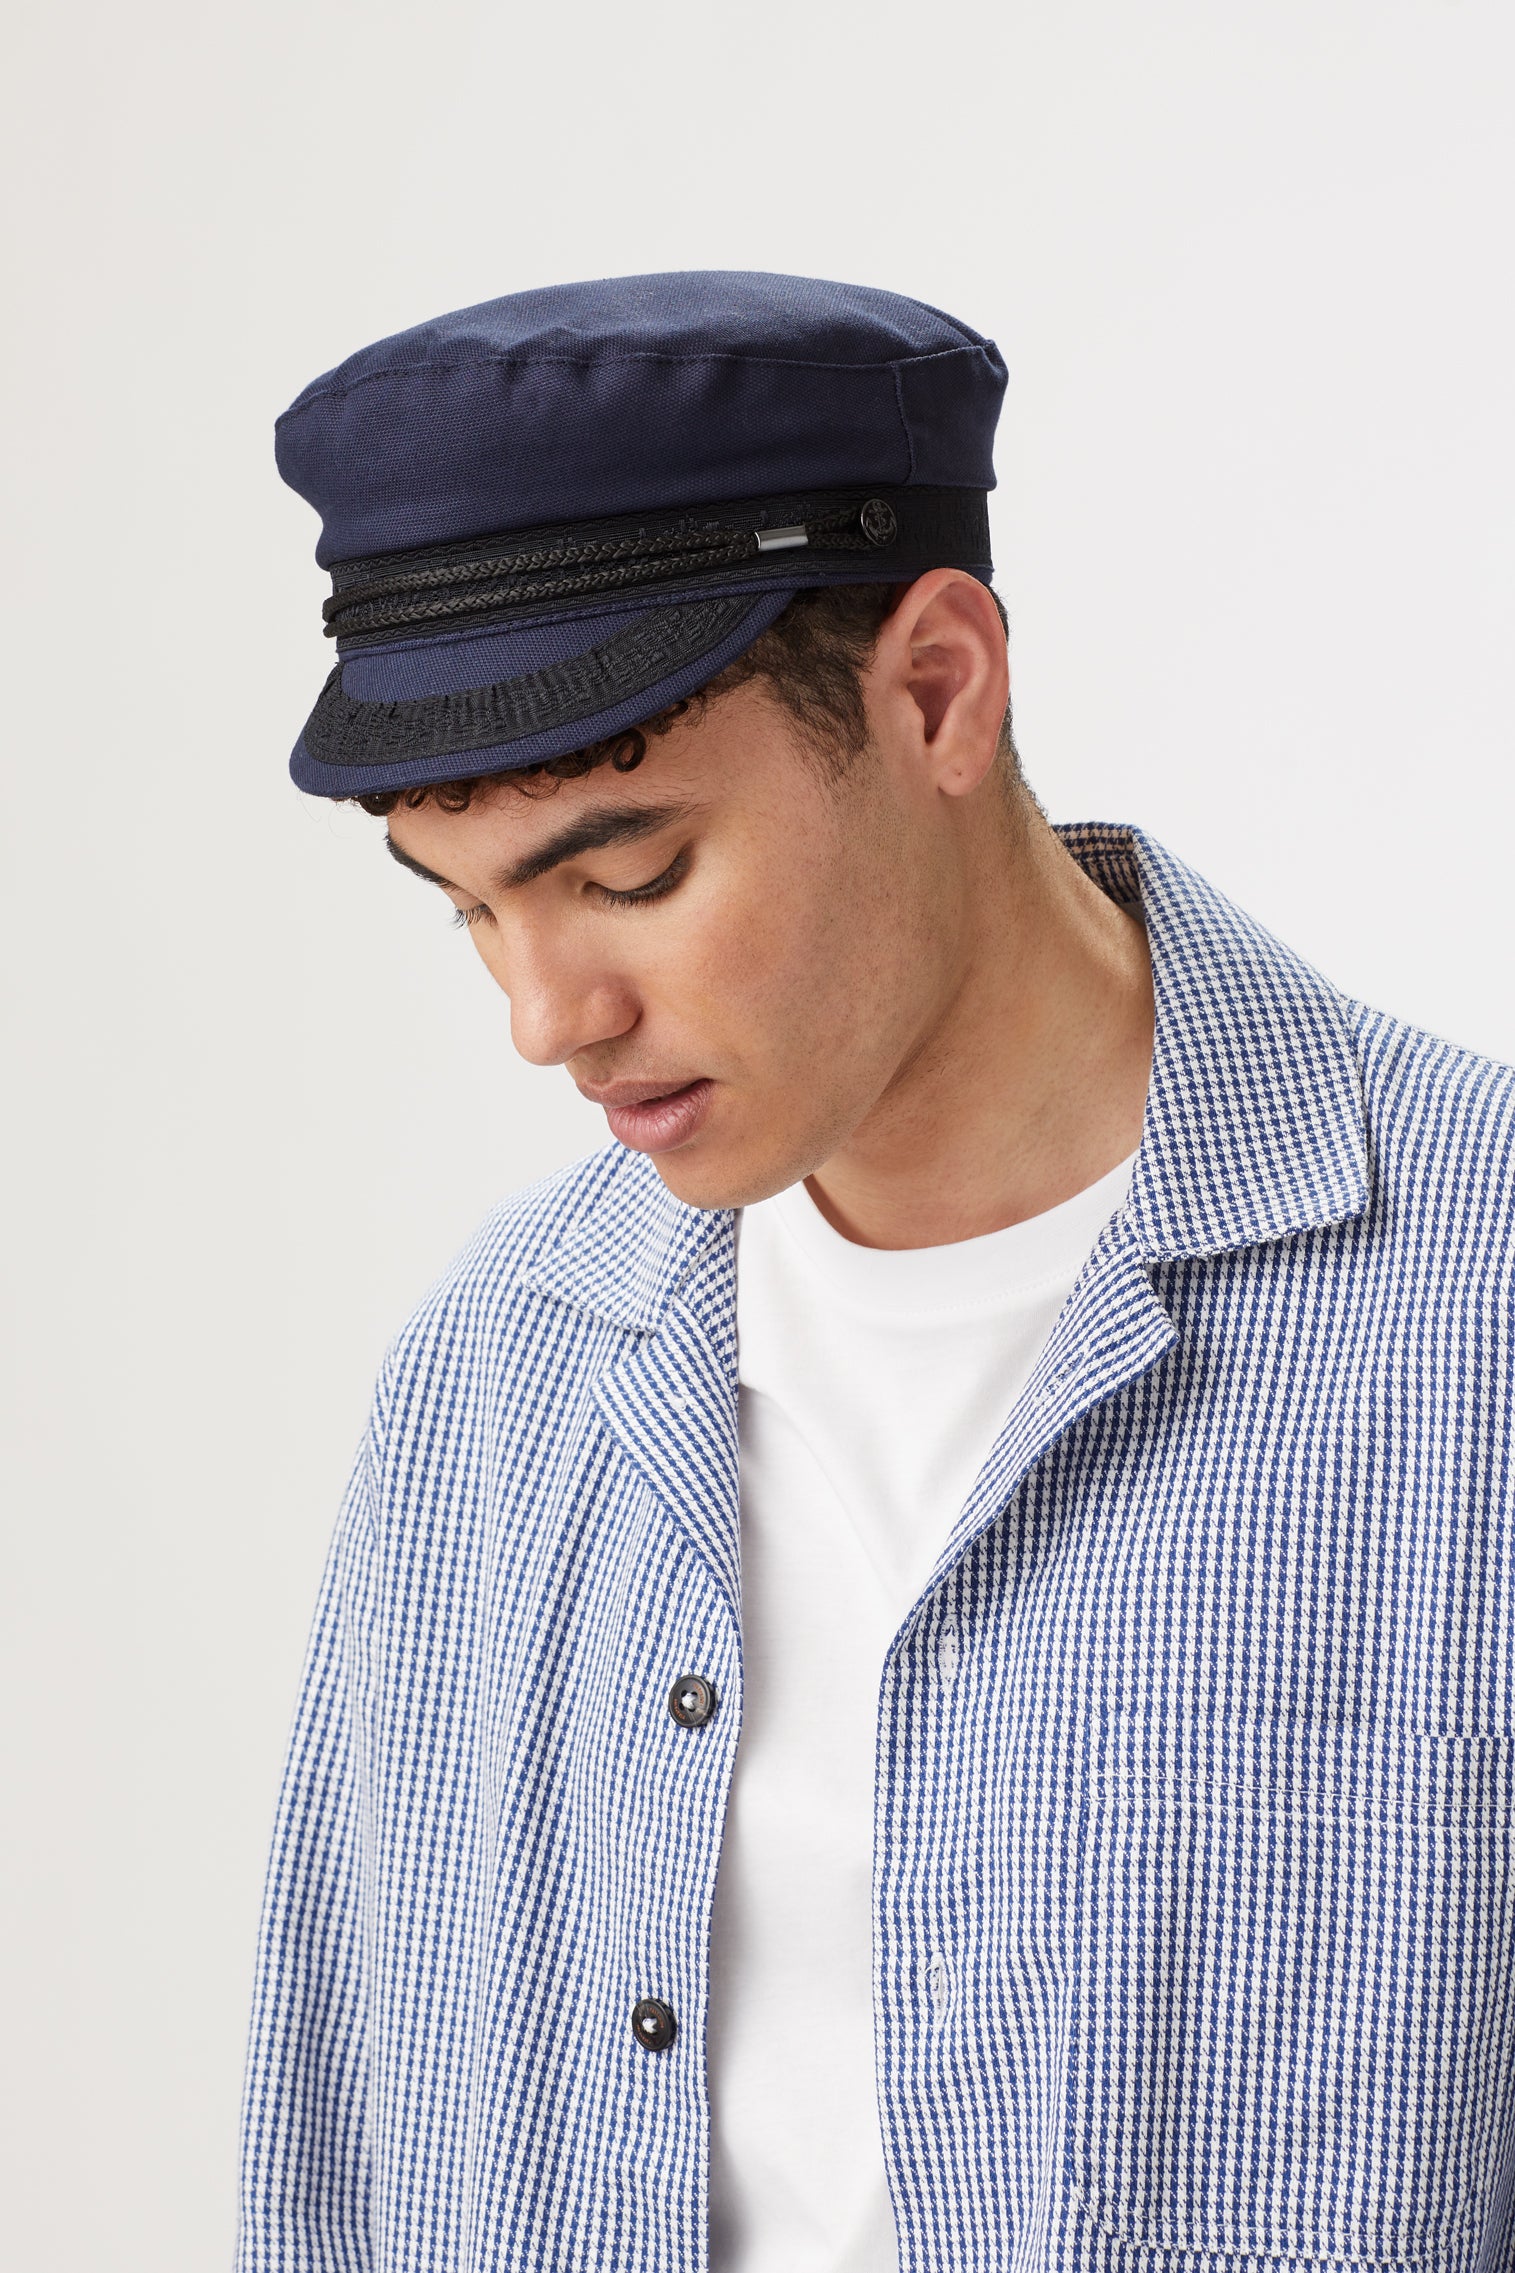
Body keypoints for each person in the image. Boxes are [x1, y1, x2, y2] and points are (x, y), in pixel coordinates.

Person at [238, 272, 1515, 2273]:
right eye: (466, 911)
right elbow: (336, 2177)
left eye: (629, 873)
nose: (546, 1018)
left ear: (934, 690)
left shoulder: (1475, 1315)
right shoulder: (489, 1392)